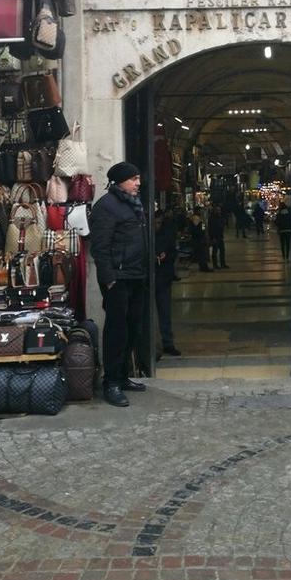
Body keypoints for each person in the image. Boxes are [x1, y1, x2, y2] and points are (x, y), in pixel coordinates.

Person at [89, 162, 149, 407]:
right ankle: (111, 382)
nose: (138, 183)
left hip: (136, 275)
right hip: (119, 279)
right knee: (116, 330)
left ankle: (123, 375)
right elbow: (100, 247)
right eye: (133, 179)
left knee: (133, 327)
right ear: (120, 181)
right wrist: (109, 279)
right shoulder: (106, 207)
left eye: (138, 178)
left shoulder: (132, 204)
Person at [154, 210, 181, 357]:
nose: (157, 225)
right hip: (149, 279)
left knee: (165, 312)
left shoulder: (166, 236)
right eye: (155, 223)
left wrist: (166, 256)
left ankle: (167, 343)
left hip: (163, 278)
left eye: (159, 223)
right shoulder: (146, 235)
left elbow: (173, 253)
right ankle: (153, 346)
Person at [207, 204, 229, 269]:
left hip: (220, 236)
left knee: (222, 251)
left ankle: (223, 263)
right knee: (215, 251)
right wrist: (212, 237)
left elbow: (221, 225)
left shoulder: (220, 217)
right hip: (215, 236)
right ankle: (215, 265)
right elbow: (210, 228)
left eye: (219, 210)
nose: (219, 211)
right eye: (217, 210)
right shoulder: (211, 218)